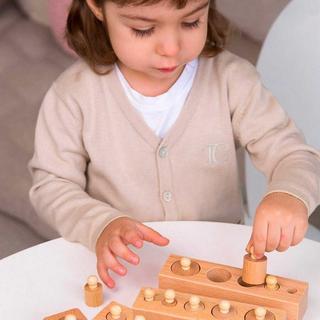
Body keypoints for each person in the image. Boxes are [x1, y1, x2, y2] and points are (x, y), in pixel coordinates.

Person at [28, 0, 320, 289]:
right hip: (125, 271)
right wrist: (99, 225)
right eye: (143, 29)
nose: (171, 48)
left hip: (220, 265)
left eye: (191, 22)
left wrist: (290, 193)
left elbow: (292, 154)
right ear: (97, 6)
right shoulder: (73, 96)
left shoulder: (232, 80)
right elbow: (52, 184)